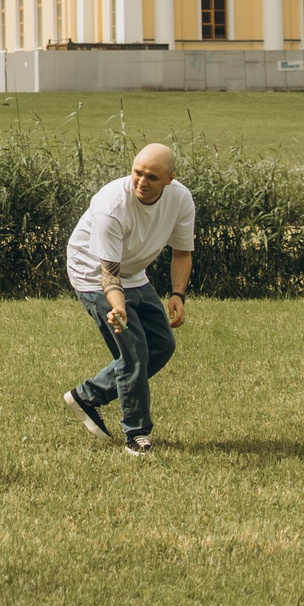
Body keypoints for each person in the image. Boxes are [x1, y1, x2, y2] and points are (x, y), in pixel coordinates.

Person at [60, 142, 194, 456]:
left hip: (134, 272)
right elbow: (108, 273)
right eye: (137, 173)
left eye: (152, 177)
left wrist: (177, 295)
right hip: (93, 273)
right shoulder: (112, 203)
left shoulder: (180, 199)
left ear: (170, 179)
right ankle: (136, 435)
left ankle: (87, 395)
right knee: (134, 351)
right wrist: (118, 306)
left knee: (162, 346)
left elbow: (183, 252)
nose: (142, 182)